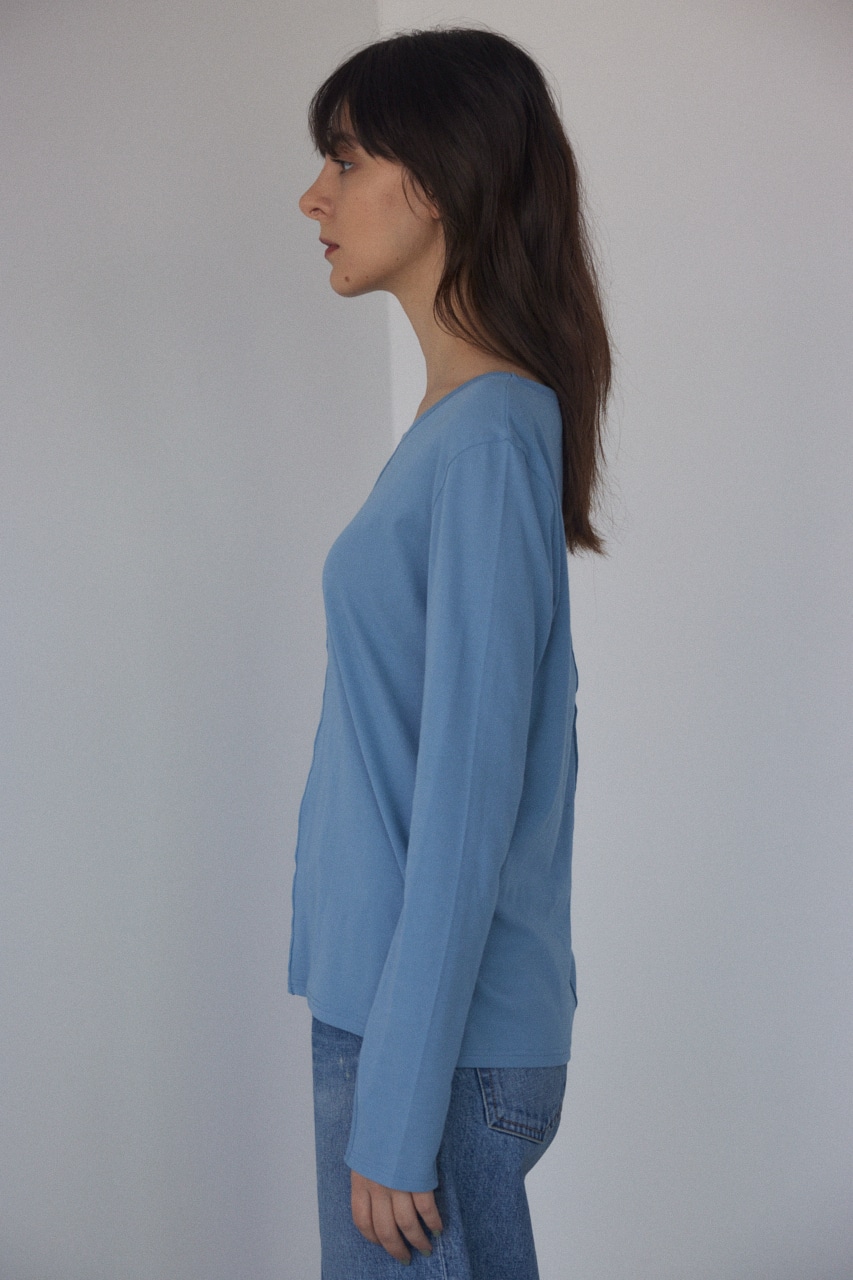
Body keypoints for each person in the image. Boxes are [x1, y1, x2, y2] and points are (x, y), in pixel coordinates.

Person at [289, 24, 612, 1278]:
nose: (313, 198)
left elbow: (467, 802)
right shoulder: (461, 428)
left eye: (344, 159)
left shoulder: (485, 439)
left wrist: (395, 1106)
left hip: (426, 1043)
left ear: (438, 180)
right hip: (399, 1020)